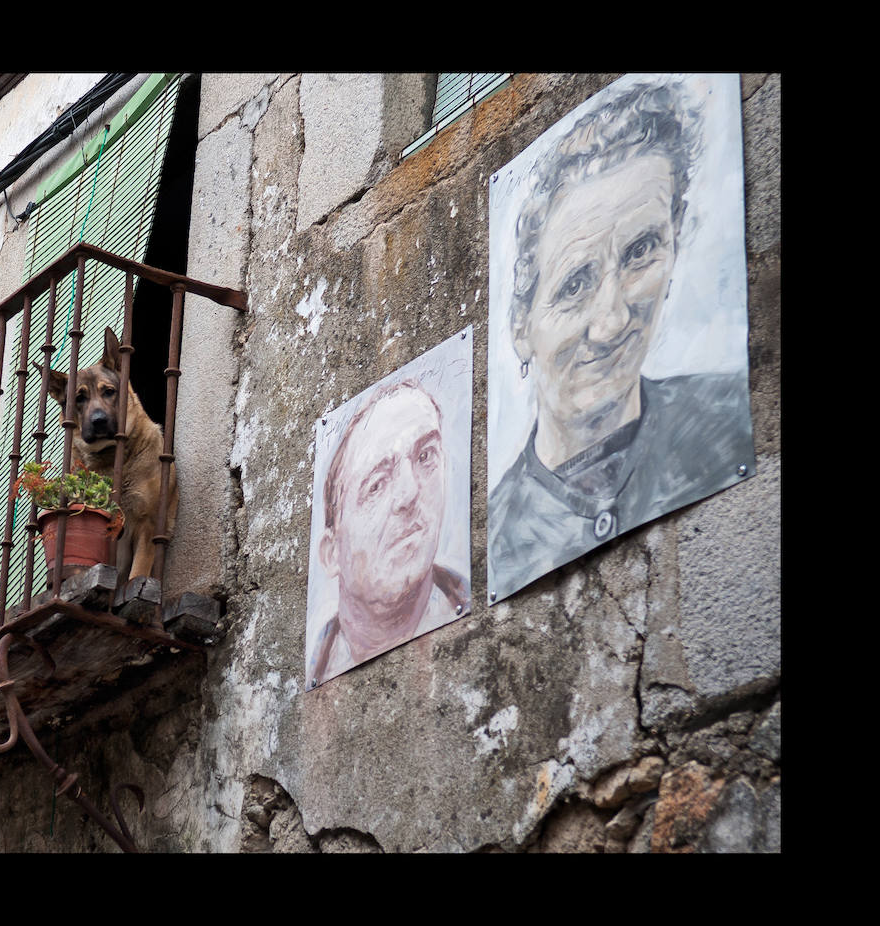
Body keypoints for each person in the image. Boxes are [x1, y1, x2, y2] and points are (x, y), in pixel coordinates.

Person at [488, 78, 754, 602]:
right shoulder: (500, 537)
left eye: (641, 252)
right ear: (520, 326)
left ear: (676, 238)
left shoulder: (724, 416)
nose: (611, 322)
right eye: (575, 284)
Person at [309, 378, 469, 688]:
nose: (410, 493)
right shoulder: (321, 665)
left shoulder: (466, 596)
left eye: (425, 456)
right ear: (332, 554)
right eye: (377, 485)